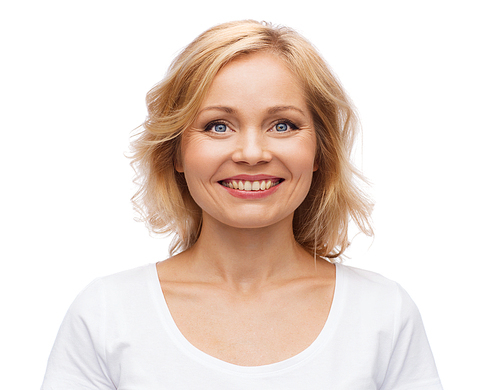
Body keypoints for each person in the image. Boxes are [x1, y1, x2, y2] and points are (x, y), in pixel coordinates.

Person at [41, 20, 443, 389]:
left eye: (282, 125)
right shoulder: (106, 314)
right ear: (176, 153)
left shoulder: (383, 314)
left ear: (319, 151)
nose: (252, 153)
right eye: (218, 126)